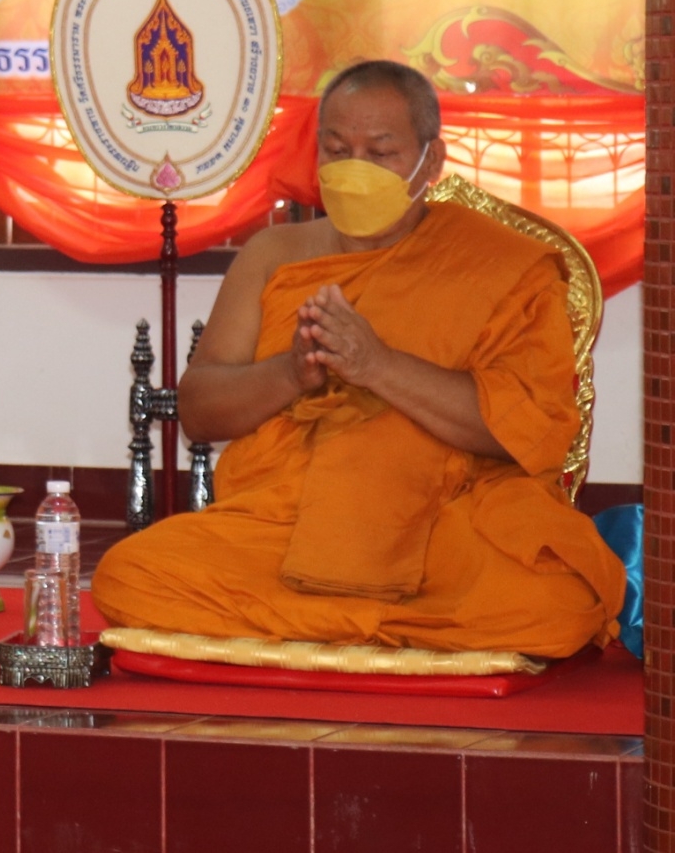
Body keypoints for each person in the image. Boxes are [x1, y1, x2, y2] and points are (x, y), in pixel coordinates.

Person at [91, 60, 625, 656]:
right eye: (337, 149)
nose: (355, 170)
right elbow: (200, 412)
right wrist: (291, 372)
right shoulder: (275, 256)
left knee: (558, 601)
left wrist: (378, 365)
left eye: (381, 152)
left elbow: (525, 432)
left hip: (440, 526)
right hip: (284, 531)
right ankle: (391, 631)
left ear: (432, 160)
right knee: (128, 573)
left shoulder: (503, 266)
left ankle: (314, 626)